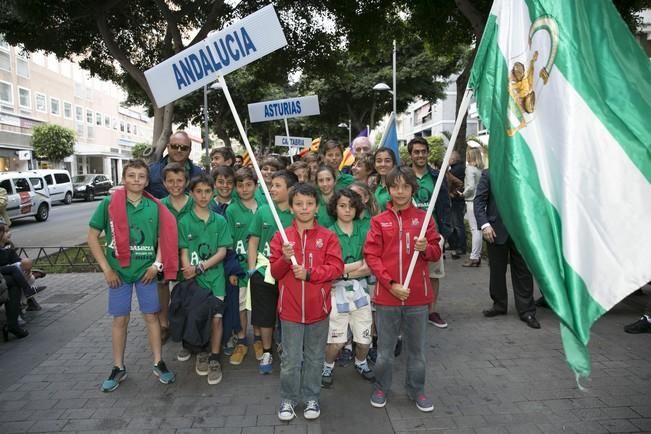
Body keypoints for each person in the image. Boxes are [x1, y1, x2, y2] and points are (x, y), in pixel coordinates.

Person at [88, 159, 178, 392]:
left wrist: (157, 265)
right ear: (123, 179)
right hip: (118, 273)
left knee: (152, 317)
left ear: (147, 181)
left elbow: (164, 239)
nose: (136, 180)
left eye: (141, 176)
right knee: (120, 320)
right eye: (131, 175)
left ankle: (158, 362)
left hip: (146, 273)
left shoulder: (155, 206)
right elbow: (92, 238)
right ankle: (118, 367)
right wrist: (107, 269)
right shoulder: (108, 203)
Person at [364, 166, 441, 412]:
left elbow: (435, 252)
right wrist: (391, 284)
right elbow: (372, 256)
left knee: (417, 351)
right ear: (387, 190)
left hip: (417, 297)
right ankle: (381, 387)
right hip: (388, 296)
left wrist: (425, 248)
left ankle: (417, 389)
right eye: (394, 187)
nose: (400, 192)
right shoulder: (379, 221)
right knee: (385, 350)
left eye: (405, 187)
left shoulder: (424, 219)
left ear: (412, 189)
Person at [269, 183, 344, 421]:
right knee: (291, 360)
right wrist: (284, 257)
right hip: (290, 311)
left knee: (314, 358)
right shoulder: (281, 237)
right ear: (290, 207)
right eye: (299, 204)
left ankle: (312, 397)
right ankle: (288, 399)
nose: (304, 208)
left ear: (317, 207)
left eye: (309, 204)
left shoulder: (328, 237)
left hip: (318, 310)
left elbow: (336, 268)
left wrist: (310, 274)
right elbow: (275, 272)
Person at [178, 173, 233, 385]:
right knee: (197, 317)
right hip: (194, 282)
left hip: (215, 278)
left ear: (213, 193)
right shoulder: (184, 221)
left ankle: (215, 356)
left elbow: (222, 252)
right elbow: (183, 250)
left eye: (207, 191)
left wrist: (200, 267)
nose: (203, 196)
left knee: (216, 319)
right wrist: (187, 267)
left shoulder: (219, 220)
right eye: (199, 191)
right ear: (191, 193)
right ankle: (200, 352)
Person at [321, 189, 375, 388]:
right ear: (334, 208)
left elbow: (370, 264)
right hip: (336, 293)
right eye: (342, 205)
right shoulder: (328, 233)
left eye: (351, 206)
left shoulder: (365, 229)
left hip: (361, 292)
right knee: (336, 340)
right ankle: (327, 365)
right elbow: (330, 271)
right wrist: (352, 269)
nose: (347, 210)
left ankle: (361, 362)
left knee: (364, 340)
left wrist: (342, 271)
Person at [474, 170, 540, 329]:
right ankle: (499, 305)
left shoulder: (525, 169)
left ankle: (527, 311)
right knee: (497, 271)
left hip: (522, 232)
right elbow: (479, 202)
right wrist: (485, 225)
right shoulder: (489, 174)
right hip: (495, 231)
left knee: (523, 272)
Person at [247, 170, 298, 374]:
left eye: (278, 185)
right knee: (265, 313)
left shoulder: (297, 214)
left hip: (290, 273)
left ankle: (288, 348)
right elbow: (253, 241)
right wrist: (252, 269)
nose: (272, 189)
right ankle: (267, 350)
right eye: (272, 185)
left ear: (291, 189)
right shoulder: (263, 211)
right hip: (264, 271)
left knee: (288, 313)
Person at [408, 137, 452, 329]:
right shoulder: (404, 176)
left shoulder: (437, 176)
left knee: (434, 274)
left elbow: (445, 203)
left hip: (433, 234)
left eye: (423, 151)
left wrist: (445, 231)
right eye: (416, 152)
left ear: (427, 153)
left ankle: (432, 311)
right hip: (410, 233)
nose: (420, 155)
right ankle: (411, 311)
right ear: (410, 154)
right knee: (410, 273)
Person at [225, 167, 259, 365]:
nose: (245, 189)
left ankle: (258, 338)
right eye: (240, 185)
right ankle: (241, 339)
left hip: (261, 267)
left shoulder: (264, 206)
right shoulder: (231, 210)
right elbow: (228, 243)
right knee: (240, 305)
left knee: (258, 305)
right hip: (240, 267)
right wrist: (232, 269)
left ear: (256, 185)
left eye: (249, 185)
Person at [158, 163, 194, 344]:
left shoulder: (195, 202)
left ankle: (187, 323)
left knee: (187, 288)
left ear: (186, 182)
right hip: (167, 254)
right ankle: (164, 323)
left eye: (179, 180)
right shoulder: (160, 205)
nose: (175, 185)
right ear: (164, 183)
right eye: (170, 181)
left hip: (190, 254)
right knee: (163, 286)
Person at [147, 131, 203, 199]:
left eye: (184, 148)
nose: (179, 150)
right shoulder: (151, 171)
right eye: (175, 146)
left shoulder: (199, 174)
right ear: (168, 147)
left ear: (190, 150)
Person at [462, 147, 484, 267]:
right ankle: (477, 255)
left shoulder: (469, 169)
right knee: (479, 229)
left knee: (475, 229)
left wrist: (463, 193)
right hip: (480, 200)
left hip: (471, 201)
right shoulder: (480, 169)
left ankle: (474, 257)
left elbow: (470, 186)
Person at [446, 151, 466, 259]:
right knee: (457, 224)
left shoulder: (454, 171)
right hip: (459, 200)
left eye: (449, 158)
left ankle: (460, 247)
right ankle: (458, 246)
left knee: (457, 224)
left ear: (453, 159)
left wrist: (452, 193)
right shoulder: (461, 168)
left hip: (456, 201)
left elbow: (459, 183)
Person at [315, 165, 337, 229]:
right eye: (321, 180)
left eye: (328, 179)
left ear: (335, 181)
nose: (325, 184)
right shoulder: (313, 202)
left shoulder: (342, 200)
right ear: (317, 183)